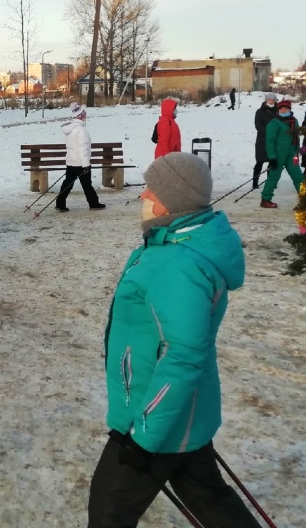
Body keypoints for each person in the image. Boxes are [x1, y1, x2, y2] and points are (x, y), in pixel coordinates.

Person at [88, 152, 262, 528]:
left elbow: (183, 353)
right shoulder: (171, 246)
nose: (143, 196)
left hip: (153, 420)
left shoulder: (179, 263)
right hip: (184, 414)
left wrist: (142, 436)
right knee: (213, 502)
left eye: (152, 189)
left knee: (108, 512)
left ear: (174, 199)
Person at [55, 102, 105, 212]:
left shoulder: (70, 129)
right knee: (87, 185)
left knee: (67, 183)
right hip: (81, 163)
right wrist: (86, 165)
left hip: (71, 162)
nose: (85, 116)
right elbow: (83, 149)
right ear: (81, 116)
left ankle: (60, 203)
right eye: (84, 114)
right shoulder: (81, 130)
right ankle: (93, 203)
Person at [260, 99, 304, 209]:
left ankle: (305, 199)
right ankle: (266, 199)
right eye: (281, 109)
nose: (284, 110)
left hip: (291, 154)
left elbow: (296, 138)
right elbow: (269, 141)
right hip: (278, 155)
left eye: (286, 108)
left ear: (290, 109)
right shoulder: (274, 123)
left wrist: (296, 151)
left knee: (298, 176)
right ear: (278, 110)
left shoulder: (294, 121)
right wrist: (272, 157)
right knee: (274, 177)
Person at [252, 92, 278, 189]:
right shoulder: (260, 111)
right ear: (266, 100)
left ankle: (270, 181)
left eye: (273, 100)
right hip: (262, 140)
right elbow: (258, 125)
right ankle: (255, 181)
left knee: (272, 161)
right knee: (260, 161)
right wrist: (268, 132)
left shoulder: (278, 111)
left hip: (274, 140)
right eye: (269, 100)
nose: (271, 102)